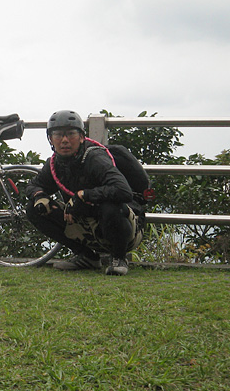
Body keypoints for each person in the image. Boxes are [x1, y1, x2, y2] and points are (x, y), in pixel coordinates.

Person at [26, 110, 145, 276]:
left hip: (124, 227)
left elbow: (123, 191)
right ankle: (87, 257)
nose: (65, 140)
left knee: (110, 207)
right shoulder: (54, 163)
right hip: (86, 227)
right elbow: (34, 185)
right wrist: (39, 196)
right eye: (58, 135)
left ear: (82, 137)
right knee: (34, 208)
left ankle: (119, 258)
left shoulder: (95, 158)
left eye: (71, 134)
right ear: (50, 139)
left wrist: (84, 195)